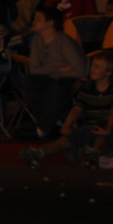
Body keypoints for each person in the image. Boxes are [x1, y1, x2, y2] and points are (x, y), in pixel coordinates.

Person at [21, 51, 113, 167]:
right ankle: (38, 153)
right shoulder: (87, 88)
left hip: (112, 128)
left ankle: (93, 155)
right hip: (91, 126)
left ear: (108, 72)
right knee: (67, 139)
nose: (92, 69)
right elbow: (77, 109)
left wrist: (108, 130)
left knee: (102, 139)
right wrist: (66, 126)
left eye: (97, 67)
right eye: (92, 65)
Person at [14, 8, 87, 137]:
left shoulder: (63, 41)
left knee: (55, 88)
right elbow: (34, 69)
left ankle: (44, 128)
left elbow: (79, 69)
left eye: (38, 19)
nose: (33, 22)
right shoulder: (37, 41)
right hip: (50, 75)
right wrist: (59, 68)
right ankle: (49, 123)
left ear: (50, 23)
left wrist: (57, 73)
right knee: (28, 82)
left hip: (67, 77)